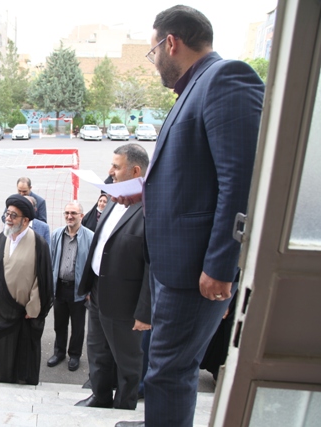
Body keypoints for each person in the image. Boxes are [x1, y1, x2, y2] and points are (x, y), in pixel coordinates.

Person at [114, 6, 264, 427]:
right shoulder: (195, 88)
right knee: (163, 367)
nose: (154, 62)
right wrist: (143, 192)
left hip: (197, 270)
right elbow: (197, 176)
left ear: (171, 43)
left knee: (170, 371)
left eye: (153, 52)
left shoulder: (226, 78)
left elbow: (242, 181)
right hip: (174, 266)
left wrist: (220, 265)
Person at [74, 144, 151, 410]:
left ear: (136, 171)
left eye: (116, 167)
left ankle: (124, 406)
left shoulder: (150, 209)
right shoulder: (111, 198)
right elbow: (101, 245)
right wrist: (89, 285)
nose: (110, 172)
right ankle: (100, 396)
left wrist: (145, 312)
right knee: (97, 351)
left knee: (127, 360)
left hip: (126, 303)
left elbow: (152, 266)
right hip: (97, 292)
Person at [0, 195, 54, 385]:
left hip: (22, 311)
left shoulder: (38, 244)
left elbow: (42, 279)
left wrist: (33, 308)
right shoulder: (2, 239)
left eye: (14, 215)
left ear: (25, 220)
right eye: (7, 214)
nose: (8, 219)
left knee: (19, 353)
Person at [47, 201, 94, 372]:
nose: (69, 216)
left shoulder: (90, 237)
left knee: (78, 326)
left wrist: (90, 290)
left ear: (81, 215)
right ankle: (59, 352)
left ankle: (74, 355)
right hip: (59, 287)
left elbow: (94, 266)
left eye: (73, 213)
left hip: (78, 289)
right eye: (67, 213)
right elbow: (51, 260)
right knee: (59, 324)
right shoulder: (57, 234)